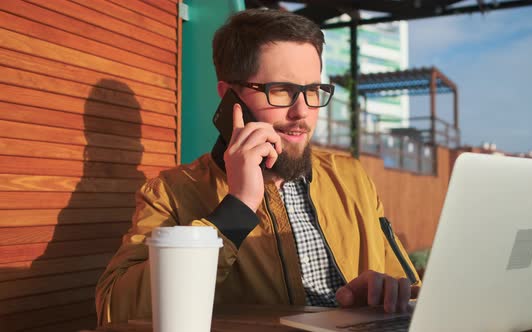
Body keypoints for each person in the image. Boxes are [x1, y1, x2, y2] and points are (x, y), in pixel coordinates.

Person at [95, 8, 421, 325]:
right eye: (280, 91)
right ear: (229, 97)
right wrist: (237, 208)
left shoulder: (350, 175)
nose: (302, 112)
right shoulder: (170, 193)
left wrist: (383, 298)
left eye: (312, 90)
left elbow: (413, 291)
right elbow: (114, 310)